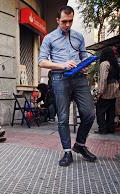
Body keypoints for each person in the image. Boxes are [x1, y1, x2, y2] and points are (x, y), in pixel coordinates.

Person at [38, 6, 97, 166]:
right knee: (63, 117)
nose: (68, 25)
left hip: (79, 78)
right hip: (60, 78)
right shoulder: (49, 38)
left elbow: (84, 56)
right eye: (64, 21)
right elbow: (41, 61)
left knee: (90, 113)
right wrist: (62, 65)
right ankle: (67, 152)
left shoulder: (78, 36)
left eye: (71, 21)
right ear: (58, 20)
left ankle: (80, 144)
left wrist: (85, 65)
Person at [95, 47, 120, 134]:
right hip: (115, 90)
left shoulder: (104, 64)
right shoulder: (114, 63)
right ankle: (110, 128)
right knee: (111, 111)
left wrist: (100, 92)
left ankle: (102, 129)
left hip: (107, 90)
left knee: (100, 110)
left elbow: (103, 79)